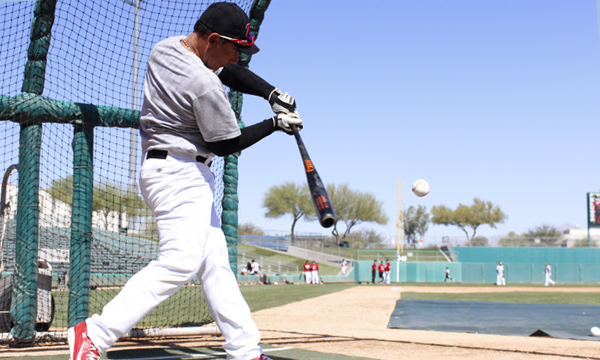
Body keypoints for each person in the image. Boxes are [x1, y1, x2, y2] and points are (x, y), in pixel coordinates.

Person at [67, 3, 302, 360]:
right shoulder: (203, 83)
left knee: (215, 263)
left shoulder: (167, 48)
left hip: (169, 169)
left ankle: (244, 349)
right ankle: (94, 333)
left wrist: (271, 94)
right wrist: (274, 124)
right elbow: (226, 144)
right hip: (180, 173)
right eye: (234, 48)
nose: (237, 57)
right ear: (211, 39)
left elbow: (228, 71)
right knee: (181, 261)